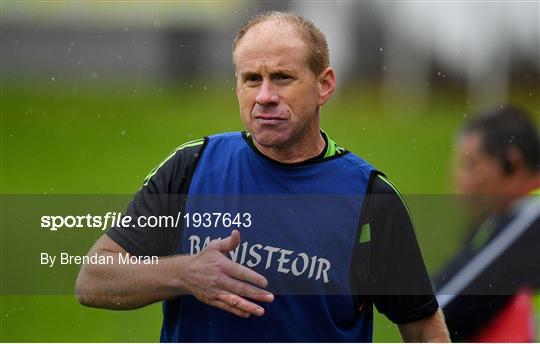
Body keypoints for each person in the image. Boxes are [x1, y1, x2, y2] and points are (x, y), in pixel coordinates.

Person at [76, 11, 449, 342]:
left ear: (325, 85)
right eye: (252, 79)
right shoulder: (193, 166)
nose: (264, 96)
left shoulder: (370, 198)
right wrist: (183, 274)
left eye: (283, 77)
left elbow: (422, 328)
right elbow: (94, 280)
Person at [433, 105, 540, 342]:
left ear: (512, 163)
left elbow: (439, 311)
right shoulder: (496, 220)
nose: (458, 179)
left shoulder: (531, 216)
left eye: (471, 165)